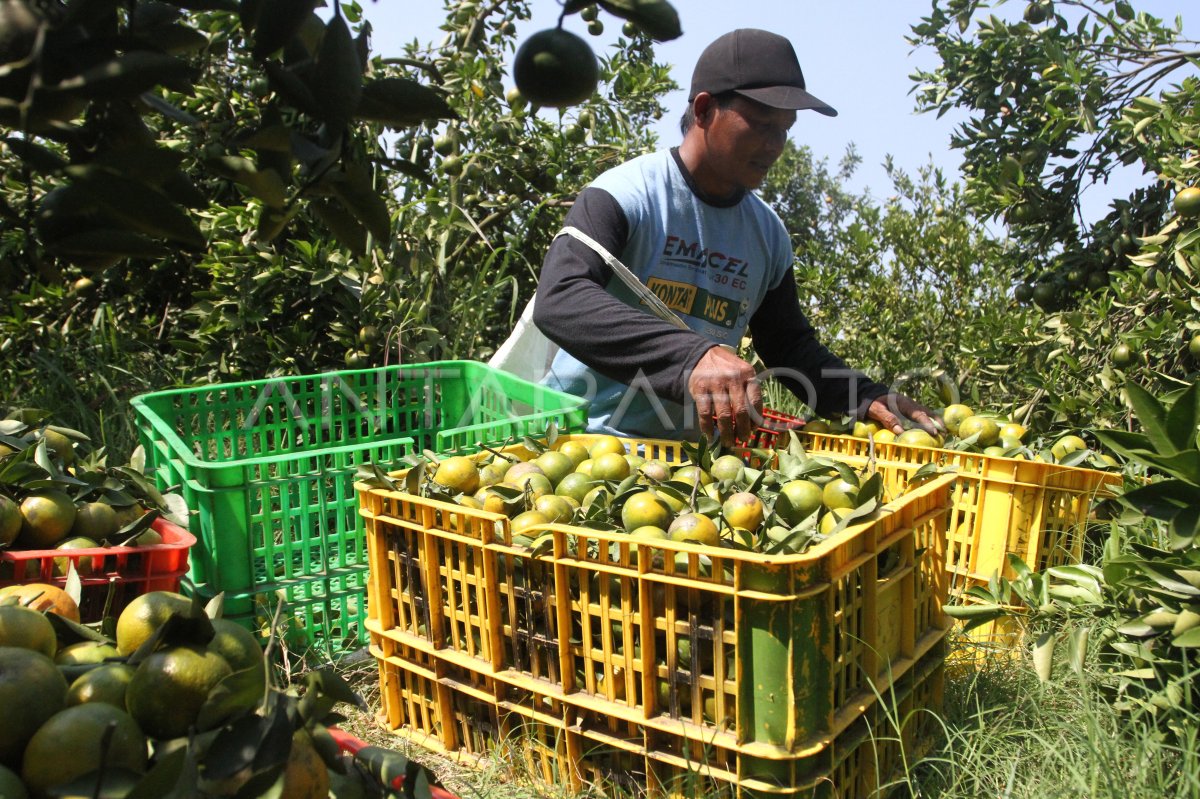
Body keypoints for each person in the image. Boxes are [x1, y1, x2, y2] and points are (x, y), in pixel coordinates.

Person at [532, 28, 942, 445]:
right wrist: (693, 357)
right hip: (576, 442)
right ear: (706, 109)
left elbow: (787, 345)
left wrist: (863, 396)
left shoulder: (767, 234)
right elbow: (561, 298)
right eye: (762, 124)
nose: (774, 145)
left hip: (684, 464)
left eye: (784, 129)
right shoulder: (626, 194)